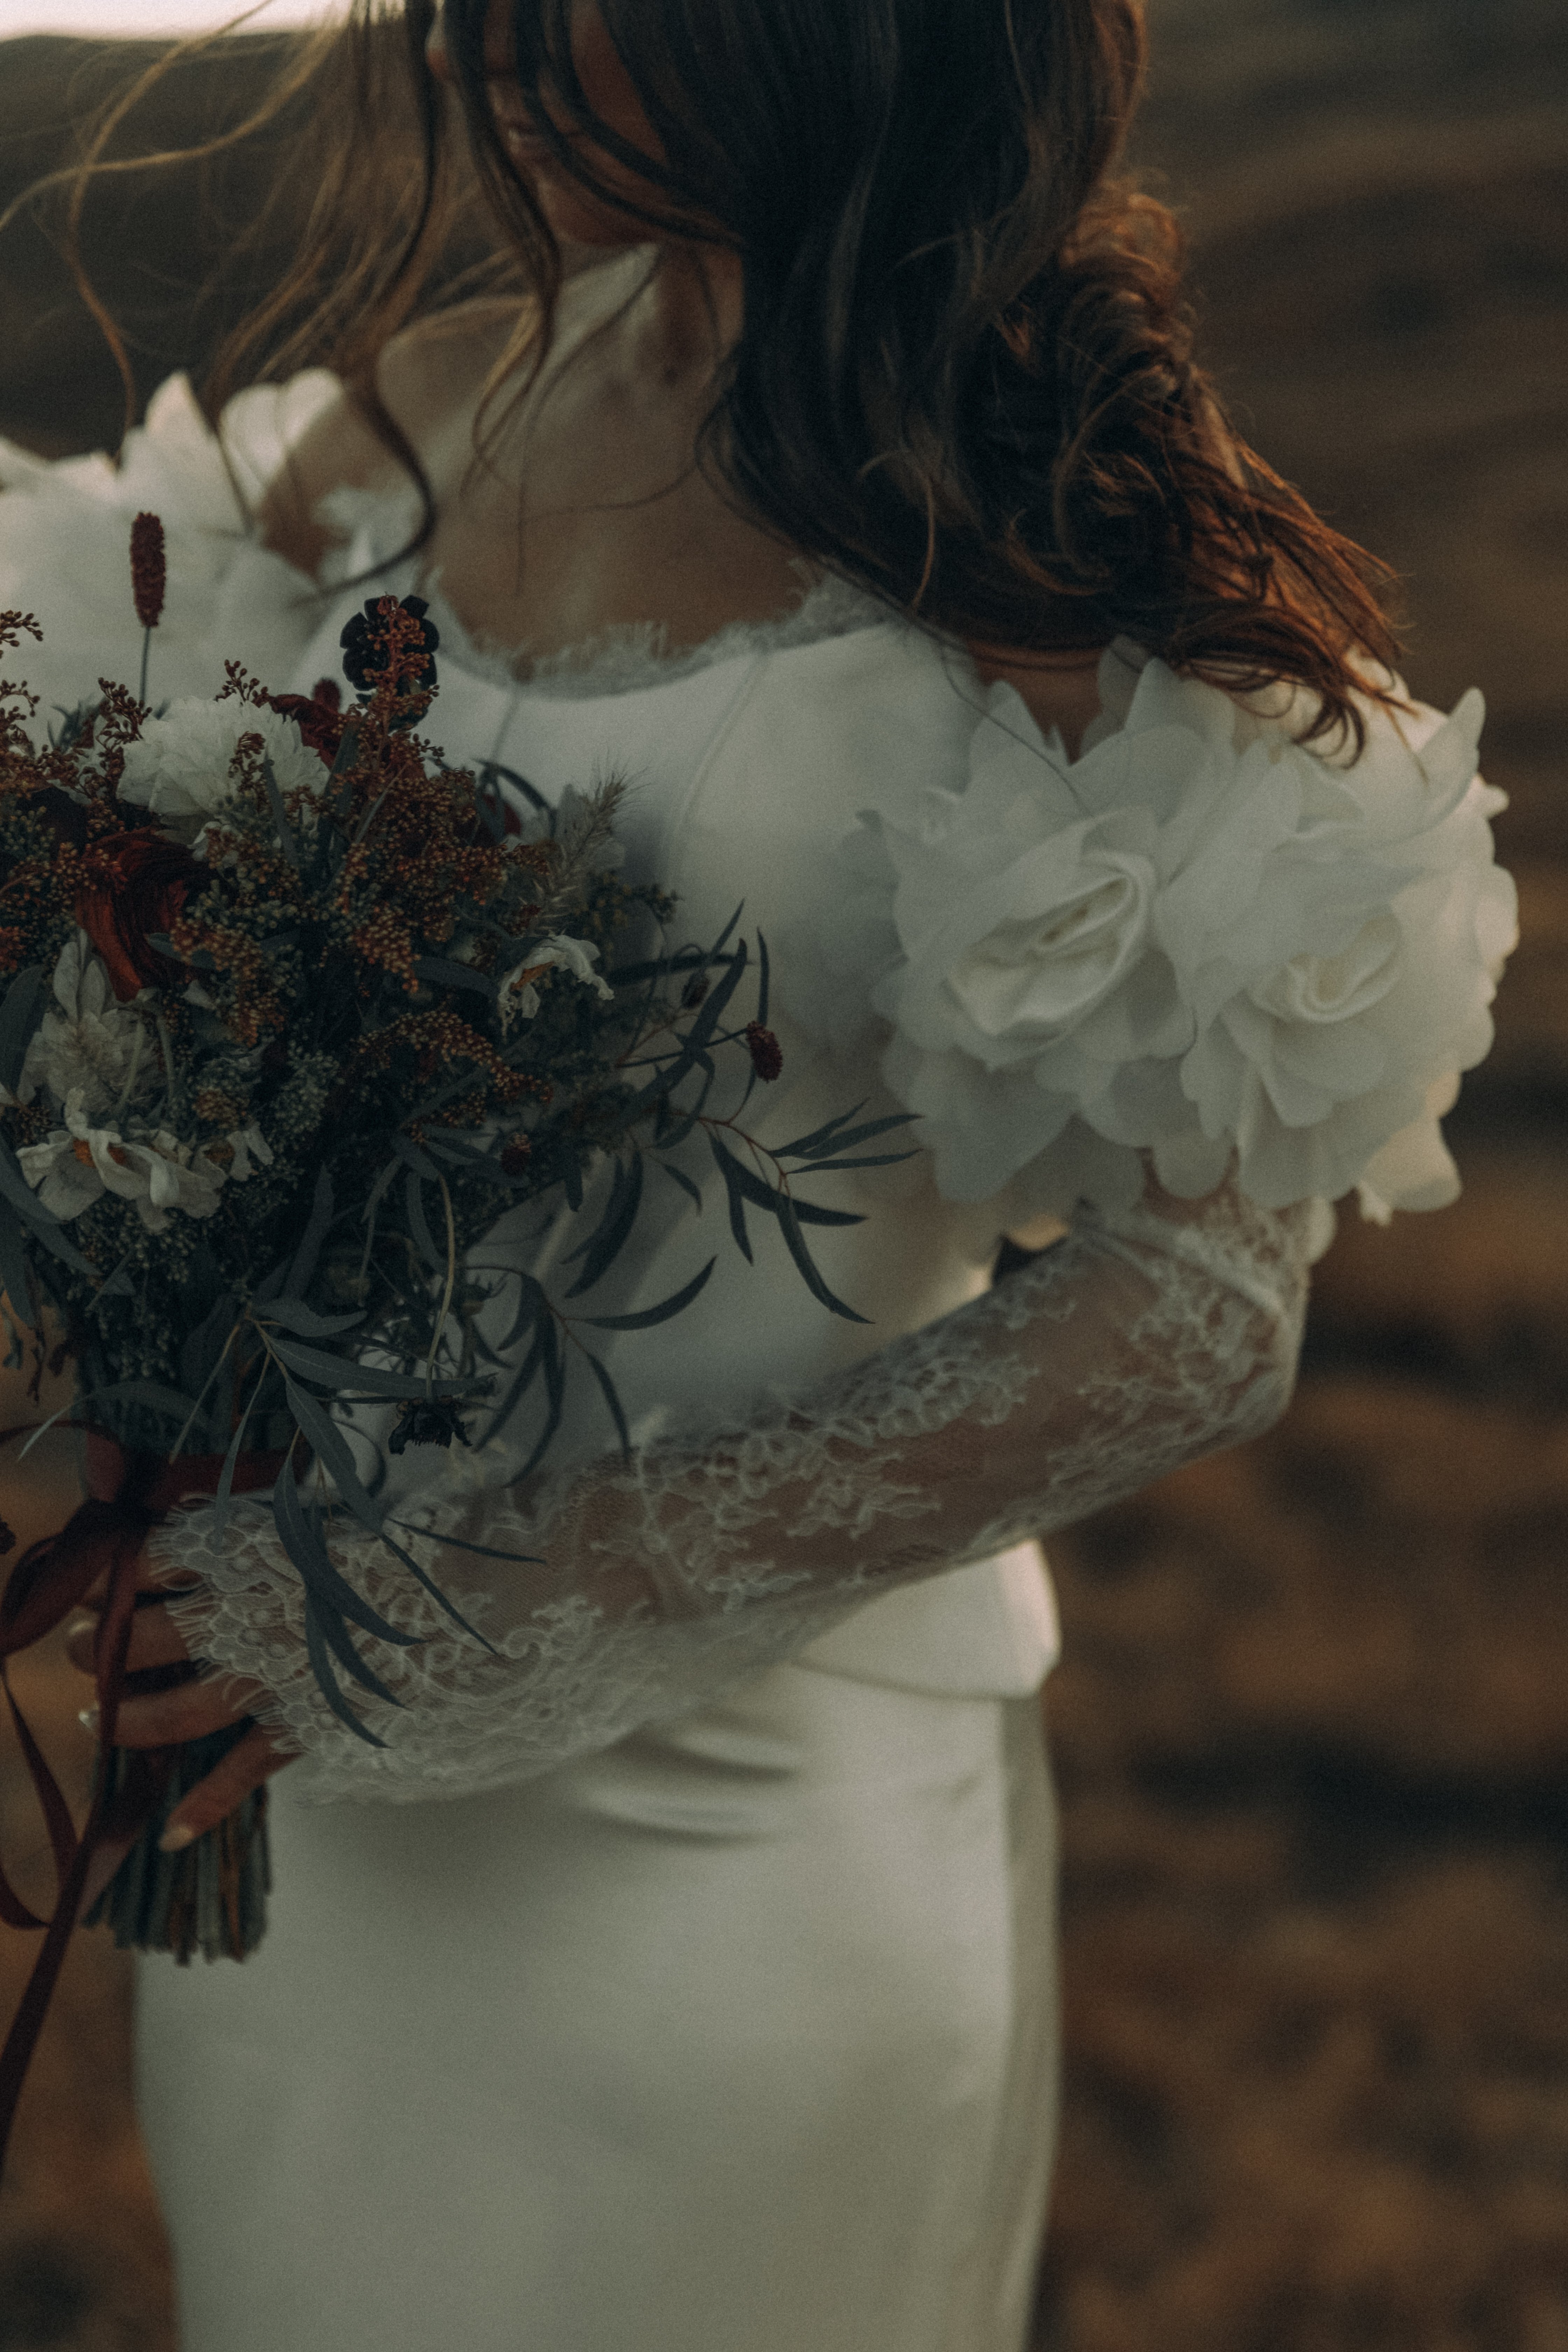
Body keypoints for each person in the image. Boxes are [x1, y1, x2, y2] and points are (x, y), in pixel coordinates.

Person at [0, 3, 1514, 2347]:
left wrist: (496, 1605)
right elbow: (124, 783)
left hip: (741, 1862)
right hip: (315, 1863)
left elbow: (1203, 1308)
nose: (511, 34)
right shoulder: (435, 401)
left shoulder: (1031, 499)